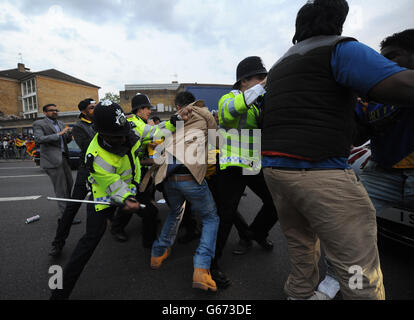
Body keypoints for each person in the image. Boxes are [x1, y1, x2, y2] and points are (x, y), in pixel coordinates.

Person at [262, 0, 414, 300]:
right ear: (337, 22)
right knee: (357, 261)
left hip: (277, 173)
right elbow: (403, 86)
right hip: (318, 171)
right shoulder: (341, 49)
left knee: (301, 243)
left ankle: (299, 293)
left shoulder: (280, 66)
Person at [318, 29, 414, 300]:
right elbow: (358, 134)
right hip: (383, 171)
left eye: (393, 58)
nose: (384, 66)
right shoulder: (372, 95)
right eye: (381, 60)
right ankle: (335, 279)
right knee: (345, 226)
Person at [50, 101, 144, 300]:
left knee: (150, 211)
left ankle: (126, 230)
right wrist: (127, 197)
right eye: (116, 136)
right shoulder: (95, 155)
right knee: (89, 237)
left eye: (123, 133)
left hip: (127, 191)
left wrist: (173, 123)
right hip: (101, 193)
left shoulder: (129, 134)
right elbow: (113, 184)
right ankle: (58, 292)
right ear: (102, 133)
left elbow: (139, 152)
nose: (123, 139)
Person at [212, 56, 279, 288]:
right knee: (225, 215)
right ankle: (211, 266)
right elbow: (229, 112)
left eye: (264, 78)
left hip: (252, 164)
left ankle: (254, 234)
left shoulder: (261, 102)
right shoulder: (228, 99)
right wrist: (263, 87)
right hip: (231, 166)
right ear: (243, 82)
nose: (264, 82)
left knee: (276, 202)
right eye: (259, 78)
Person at [150, 99, 220, 292]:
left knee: (175, 212)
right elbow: (216, 142)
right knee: (210, 218)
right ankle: (202, 269)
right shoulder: (205, 118)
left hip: (168, 177)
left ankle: (158, 252)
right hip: (189, 176)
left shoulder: (175, 123)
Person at [49, 98, 97, 257]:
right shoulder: (79, 127)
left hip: (106, 170)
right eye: (91, 108)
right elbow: (89, 146)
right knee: (72, 207)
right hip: (87, 170)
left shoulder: (99, 122)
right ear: (84, 111)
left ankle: (116, 227)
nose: (95, 110)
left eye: (96, 107)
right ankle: (58, 242)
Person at [33, 104, 73, 218]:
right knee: (61, 189)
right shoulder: (39, 124)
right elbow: (39, 139)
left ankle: (69, 211)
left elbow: (65, 141)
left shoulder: (60, 123)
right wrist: (59, 134)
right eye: (51, 110)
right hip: (52, 160)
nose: (55, 112)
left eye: (56, 110)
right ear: (45, 113)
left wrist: (69, 134)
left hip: (64, 157)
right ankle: (65, 216)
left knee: (70, 185)